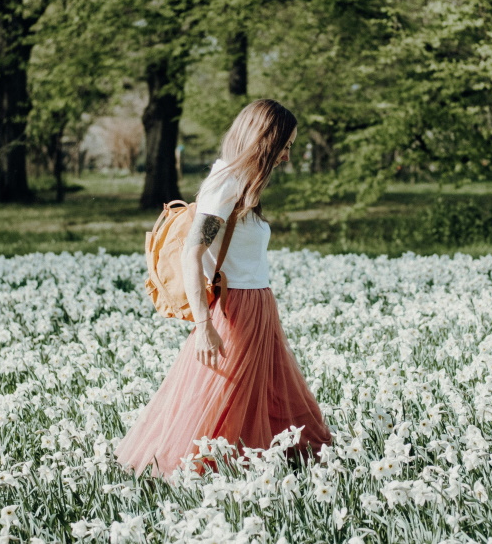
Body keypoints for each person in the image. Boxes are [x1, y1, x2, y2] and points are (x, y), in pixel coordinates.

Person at [115, 99, 332, 480]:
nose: (287, 156)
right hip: (237, 309)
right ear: (265, 140)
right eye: (285, 145)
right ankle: (204, 473)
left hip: (258, 304)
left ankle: (259, 465)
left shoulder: (243, 185)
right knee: (225, 399)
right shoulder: (225, 183)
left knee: (257, 394)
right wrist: (203, 325)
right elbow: (191, 255)